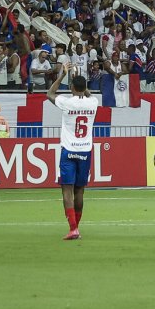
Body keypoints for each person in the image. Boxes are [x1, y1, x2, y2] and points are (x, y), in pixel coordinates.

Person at [47, 63, 97, 241]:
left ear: (71, 88)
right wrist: (82, 86)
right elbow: (87, 94)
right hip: (85, 151)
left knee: (66, 190)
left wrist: (62, 75)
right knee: (80, 191)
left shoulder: (67, 102)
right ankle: (77, 227)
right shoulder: (93, 102)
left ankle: (73, 228)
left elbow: (50, 94)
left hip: (68, 150)